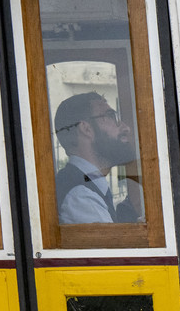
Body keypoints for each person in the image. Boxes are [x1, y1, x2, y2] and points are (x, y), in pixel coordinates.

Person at [53, 91, 141, 224]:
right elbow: (111, 245)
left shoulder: (85, 185)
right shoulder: (80, 196)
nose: (126, 128)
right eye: (111, 116)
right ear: (86, 129)